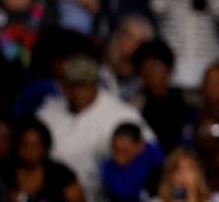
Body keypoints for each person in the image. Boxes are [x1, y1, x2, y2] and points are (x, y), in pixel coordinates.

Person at [36, 53, 155, 199]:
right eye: (74, 85)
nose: (79, 92)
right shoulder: (47, 112)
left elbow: (152, 156)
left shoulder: (122, 114)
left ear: (96, 83)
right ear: (64, 85)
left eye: (85, 85)